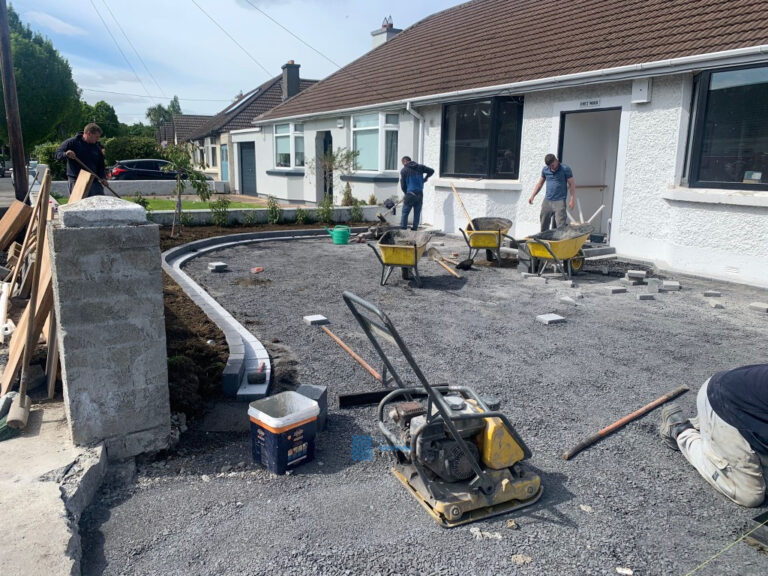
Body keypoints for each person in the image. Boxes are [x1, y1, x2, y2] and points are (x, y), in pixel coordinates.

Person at [660, 363, 768, 508]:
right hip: (724, 404)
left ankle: (707, 426)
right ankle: (681, 430)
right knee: (750, 495)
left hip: (739, 396)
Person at [55, 123, 107, 196]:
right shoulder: (72, 142)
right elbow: (57, 154)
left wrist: (103, 177)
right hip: (76, 180)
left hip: (93, 180)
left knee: (100, 203)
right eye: (96, 137)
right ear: (89, 134)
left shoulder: (97, 147)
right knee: (79, 205)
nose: (98, 139)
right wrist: (66, 154)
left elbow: (101, 165)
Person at [528, 153, 575, 231]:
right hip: (547, 200)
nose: (551, 167)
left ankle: (561, 241)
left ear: (556, 160)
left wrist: (572, 199)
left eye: (552, 165)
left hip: (560, 200)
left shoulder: (565, 169)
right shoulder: (545, 170)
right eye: (549, 166)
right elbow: (540, 184)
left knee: (561, 224)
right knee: (543, 222)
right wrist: (533, 196)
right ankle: (543, 239)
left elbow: (571, 184)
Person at [399, 156, 434, 231]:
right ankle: (415, 228)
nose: (404, 165)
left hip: (410, 193)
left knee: (405, 212)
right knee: (417, 212)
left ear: (404, 162)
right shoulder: (420, 167)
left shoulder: (404, 170)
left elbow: (403, 185)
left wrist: (406, 193)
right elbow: (431, 171)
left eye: (403, 163)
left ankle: (403, 228)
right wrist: (425, 179)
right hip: (420, 194)